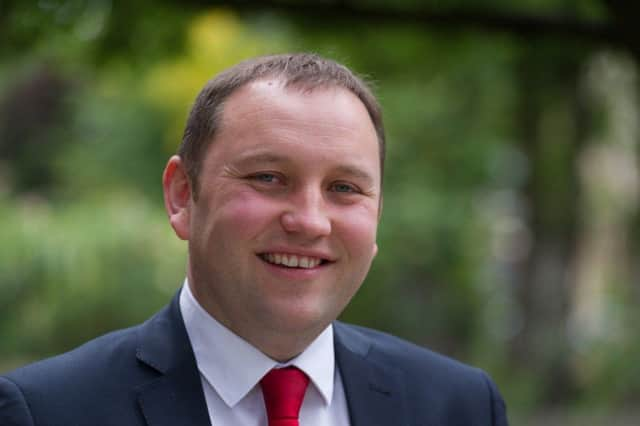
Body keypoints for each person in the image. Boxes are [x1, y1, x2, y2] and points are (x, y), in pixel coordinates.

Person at [0, 53, 508, 426]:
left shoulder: (459, 406)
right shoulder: (45, 411)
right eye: (268, 178)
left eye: (344, 189)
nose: (311, 221)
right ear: (182, 196)